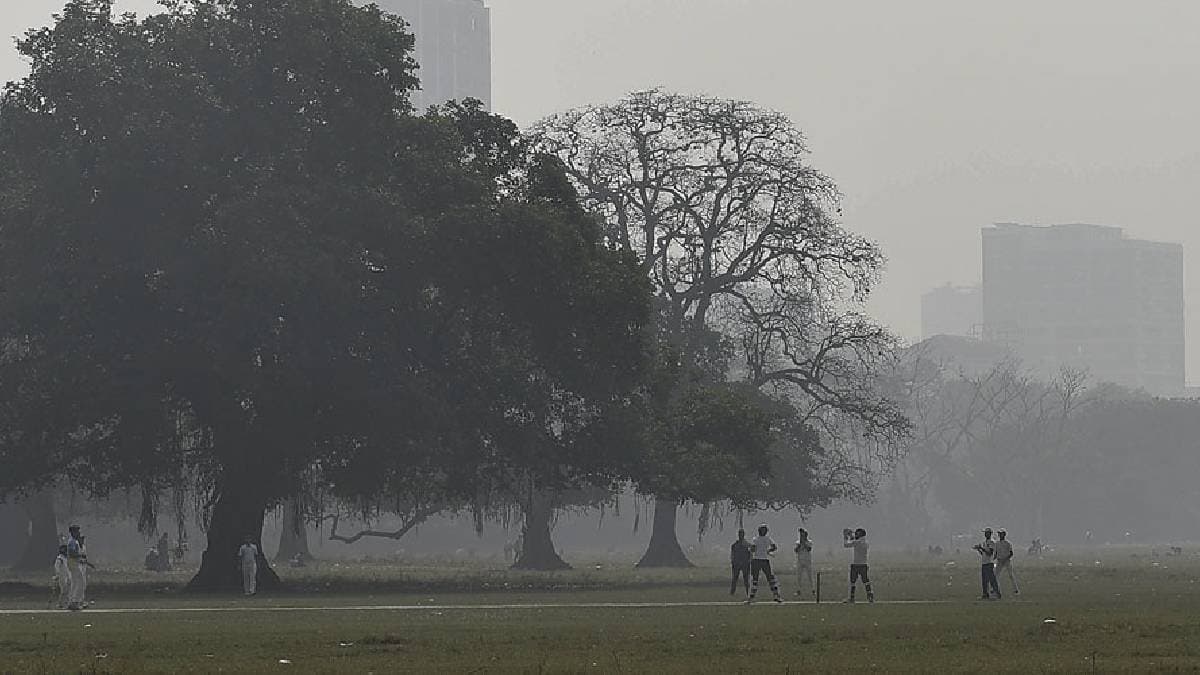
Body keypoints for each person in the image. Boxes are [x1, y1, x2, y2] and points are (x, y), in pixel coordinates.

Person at [744, 524, 783, 604]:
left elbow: (753, 549)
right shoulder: (767, 539)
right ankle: (776, 595)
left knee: (756, 579)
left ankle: (751, 597)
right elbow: (774, 547)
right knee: (770, 579)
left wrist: (750, 550)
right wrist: (768, 551)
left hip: (757, 560)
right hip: (764, 560)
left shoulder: (756, 539)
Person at [843, 527, 874, 603]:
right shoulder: (865, 542)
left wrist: (845, 536)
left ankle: (852, 598)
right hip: (864, 564)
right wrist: (851, 536)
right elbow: (855, 540)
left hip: (856, 564)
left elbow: (846, 545)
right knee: (866, 581)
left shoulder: (857, 542)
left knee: (853, 582)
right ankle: (870, 597)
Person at [974, 527, 1001, 600]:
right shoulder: (985, 542)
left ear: (990, 534)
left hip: (989, 563)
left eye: (987, 533)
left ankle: (997, 593)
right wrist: (979, 549)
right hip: (984, 562)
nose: (985, 534)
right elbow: (983, 554)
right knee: (984, 580)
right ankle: (985, 594)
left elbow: (989, 553)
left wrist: (982, 548)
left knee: (992, 579)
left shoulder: (992, 542)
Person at [994, 529, 1019, 596]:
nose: (1000, 535)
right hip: (999, 561)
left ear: (1004, 535)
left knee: (1010, 575)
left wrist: (1006, 558)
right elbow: (995, 554)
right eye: (999, 534)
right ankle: (996, 589)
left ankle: (1015, 589)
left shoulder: (1008, 543)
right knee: (996, 575)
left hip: (1007, 561)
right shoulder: (997, 544)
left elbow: (1011, 553)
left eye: (1001, 534)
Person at [729, 529, 752, 596]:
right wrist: (733, 562)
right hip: (737, 564)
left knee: (746, 580)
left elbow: (750, 554)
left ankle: (748, 592)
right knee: (734, 579)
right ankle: (732, 593)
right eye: (740, 534)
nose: (740, 536)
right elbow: (732, 554)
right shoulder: (734, 545)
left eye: (742, 534)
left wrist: (749, 561)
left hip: (745, 564)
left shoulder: (747, 545)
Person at [793, 528, 814, 598]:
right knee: (799, 577)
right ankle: (798, 590)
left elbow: (809, 549)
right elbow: (796, 550)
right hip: (800, 561)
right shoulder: (797, 543)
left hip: (807, 561)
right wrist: (799, 545)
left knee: (810, 576)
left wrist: (804, 543)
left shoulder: (809, 542)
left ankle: (813, 589)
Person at [53, 544, 72, 609]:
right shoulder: (59, 558)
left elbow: (67, 568)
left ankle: (67, 603)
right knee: (64, 590)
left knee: (68, 590)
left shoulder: (65, 558)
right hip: (62, 577)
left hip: (67, 576)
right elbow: (56, 567)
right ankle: (61, 603)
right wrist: (57, 575)